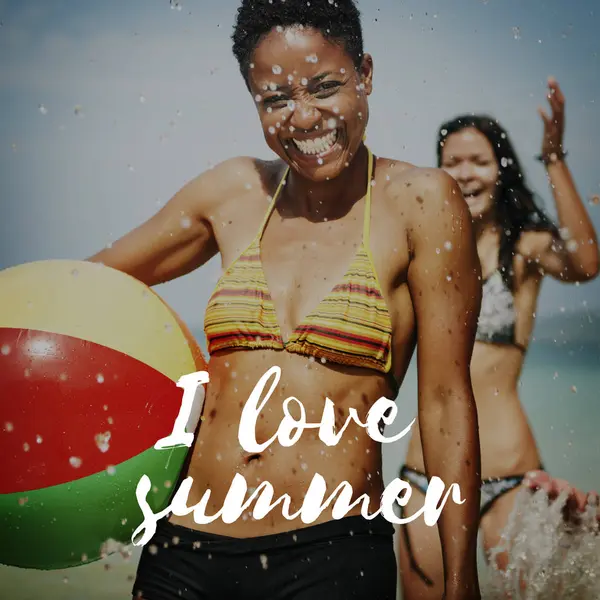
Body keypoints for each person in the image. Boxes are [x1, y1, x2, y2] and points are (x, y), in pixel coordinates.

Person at [87, 1, 484, 598]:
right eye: (274, 98)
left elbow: (447, 399)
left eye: (325, 88)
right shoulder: (235, 190)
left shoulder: (422, 202)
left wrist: (460, 579)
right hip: (184, 547)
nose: (303, 117)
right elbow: (82, 286)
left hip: (331, 550)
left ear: (365, 74)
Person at [396, 78, 600, 600]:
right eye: (453, 161)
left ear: (501, 168)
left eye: (479, 161)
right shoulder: (421, 252)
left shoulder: (525, 249)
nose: (465, 173)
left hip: (511, 475)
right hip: (426, 476)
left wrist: (553, 157)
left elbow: (586, 261)